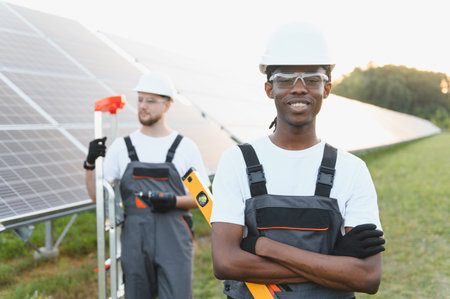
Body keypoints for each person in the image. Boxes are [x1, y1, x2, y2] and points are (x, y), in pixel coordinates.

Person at [210, 22, 385, 299]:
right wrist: (332, 263)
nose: (299, 89)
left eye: (312, 80)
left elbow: (367, 277)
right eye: (285, 79)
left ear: (327, 89)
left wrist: (264, 247)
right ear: (270, 89)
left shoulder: (351, 170)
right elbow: (226, 262)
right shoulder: (237, 162)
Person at [84, 72, 210, 299]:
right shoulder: (122, 147)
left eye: (151, 101)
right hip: (135, 239)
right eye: (140, 99)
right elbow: (97, 197)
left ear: (167, 105)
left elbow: (204, 200)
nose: (143, 106)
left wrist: (173, 201)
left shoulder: (185, 148)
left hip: (174, 236)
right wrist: (90, 163)